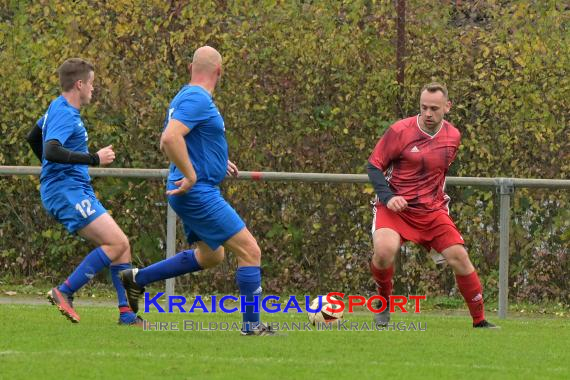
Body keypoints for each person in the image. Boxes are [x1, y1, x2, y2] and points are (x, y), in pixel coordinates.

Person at [119, 46, 274, 336]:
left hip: (195, 189)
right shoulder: (197, 98)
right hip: (197, 191)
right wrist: (192, 174)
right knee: (250, 250)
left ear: (191, 67)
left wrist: (215, 160)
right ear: (220, 71)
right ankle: (252, 326)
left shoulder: (186, 97)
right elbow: (169, 139)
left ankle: (137, 279)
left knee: (211, 256)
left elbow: (187, 138)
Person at [366, 82, 498, 329]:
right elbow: (374, 166)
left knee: (459, 256)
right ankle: (383, 302)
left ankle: (480, 321)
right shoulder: (399, 131)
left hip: (431, 211)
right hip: (395, 208)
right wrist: (388, 197)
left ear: (447, 107)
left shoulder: (454, 136)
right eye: (424, 107)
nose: (428, 113)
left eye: (434, 108)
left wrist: (433, 228)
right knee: (384, 252)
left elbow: (438, 176)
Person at [26, 58, 143, 325]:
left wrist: (49, 170)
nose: (93, 89)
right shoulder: (66, 113)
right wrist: (93, 159)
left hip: (71, 188)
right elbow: (51, 149)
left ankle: (127, 314)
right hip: (67, 191)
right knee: (115, 243)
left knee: (122, 245)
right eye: (91, 83)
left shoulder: (56, 106)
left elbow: (34, 136)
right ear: (79, 84)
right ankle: (64, 291)